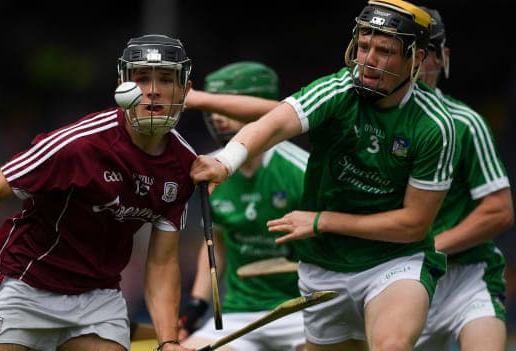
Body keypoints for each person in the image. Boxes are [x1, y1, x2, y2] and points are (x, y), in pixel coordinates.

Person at [189, 1, 459, 350]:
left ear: (417, 58)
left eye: (384, 51)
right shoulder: (337, 89)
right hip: (324, 266)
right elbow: (276, 122)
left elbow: (413, 224)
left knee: (391, 344)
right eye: (364, 47)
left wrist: (322, 221)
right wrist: (226, 162)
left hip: (394, 260)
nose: (369, 60)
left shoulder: (436, 126)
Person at [0, 33, 198, 351]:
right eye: (142, 79)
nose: (154, 90)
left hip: (98, 299)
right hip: (27, 286)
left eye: (166, 80)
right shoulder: (79, 145)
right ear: (123, 86)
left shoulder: (183, 166)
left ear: (185, 90)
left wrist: (168, 340)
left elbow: (162, 263)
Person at [178, 62, 309, 351]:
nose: (217, 117)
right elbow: (218, 242)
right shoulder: (208, 170)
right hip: (239, 314)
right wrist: (197, 305)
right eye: (212, 109)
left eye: (228, 107)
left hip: (302, 311)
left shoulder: (301, 170)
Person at [413, 8, 514, 351]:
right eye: (411, 52)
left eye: (426, 53)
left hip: (467, 279)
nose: (418, 63)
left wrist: (428, 246)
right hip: (399, 282)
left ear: (443, 58)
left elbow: (499, 211)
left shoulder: (466, 124)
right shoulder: (371, 125)